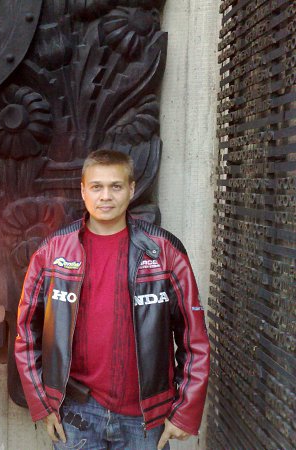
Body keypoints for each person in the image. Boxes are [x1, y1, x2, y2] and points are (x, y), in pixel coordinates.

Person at [15, 150, 210, 449]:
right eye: (97, 187)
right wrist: (43, 403)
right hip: (76, 412)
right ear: (83, 190)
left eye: (115, 186)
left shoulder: (165, 251)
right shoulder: (51, 252)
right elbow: (27, 333)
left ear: (131, 189)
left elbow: (193, 338)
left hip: (145, 418)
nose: (105, 196)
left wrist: (184, 411)